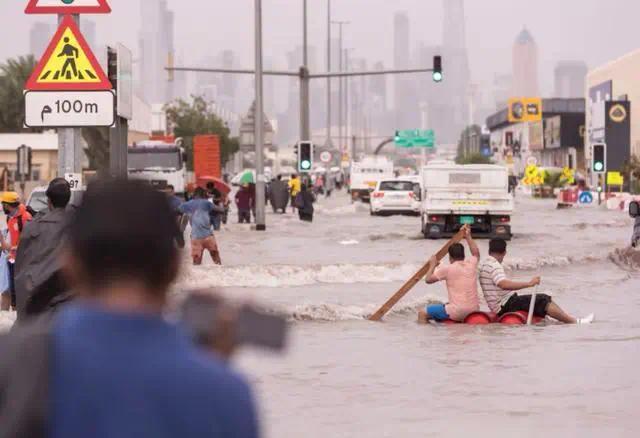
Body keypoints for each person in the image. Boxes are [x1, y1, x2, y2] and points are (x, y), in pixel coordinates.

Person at [0, 179, 259, 438]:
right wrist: (211, 371)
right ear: (174, 269)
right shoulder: (226, 393)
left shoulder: (13, 361)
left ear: (70, 263)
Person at [478, 238, 595, 324]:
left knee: (539, 300)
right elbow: (503, 284)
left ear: (489, 251)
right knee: (542, 299)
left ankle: (563, 319)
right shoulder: (495, 265)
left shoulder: (484, 263)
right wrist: (529, 284)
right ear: (504, 252)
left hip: (502, 304)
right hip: (504, 306)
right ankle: (575, 322)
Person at [14, 178, 72, 322]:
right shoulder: (78, 227)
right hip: (69, 306)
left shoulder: (32, 228)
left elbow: (21, 270)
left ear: (49, 201)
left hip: (39, 304)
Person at [418, 225, 480, 323]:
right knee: (447, 304)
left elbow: (428, 280)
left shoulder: (447, 269)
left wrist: (432, 265)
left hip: (458, 312)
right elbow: (476, 253)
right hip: (474, 310)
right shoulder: (471, 264)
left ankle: (426, 337)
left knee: (422, 313)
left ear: (450, 257)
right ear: (463, 255)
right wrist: (468, 236)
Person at [1, 192, 32, 311]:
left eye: (3, 205)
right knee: (12, 291)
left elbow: (30, 242)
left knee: (21, 292)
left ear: (8, 205)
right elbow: (10, 241)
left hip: (23, 261)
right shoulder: (10, 218)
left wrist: (15, 248)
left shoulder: (26, 218)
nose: (2, 207)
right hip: (12, 259)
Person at [179, 187, 223, 265]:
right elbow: (220, 210)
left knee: (196, 262)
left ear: (194, 194)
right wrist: (222, 204)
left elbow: (179, 211)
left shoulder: (187, 204)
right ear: (203, 194)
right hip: (208, 236)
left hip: (195, 237)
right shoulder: (206, 203)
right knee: (216, 260)